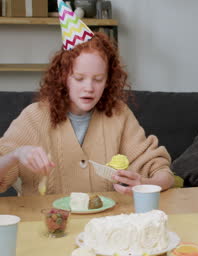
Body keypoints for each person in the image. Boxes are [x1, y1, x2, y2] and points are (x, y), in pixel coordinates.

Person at [0, 2, 174, 196]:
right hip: (46, 223)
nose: (89, 88)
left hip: (104, 223)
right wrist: (16, 155)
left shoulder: (119, 115)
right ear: (63, 76)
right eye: (79, 78)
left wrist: (143, 183)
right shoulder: (35, 117)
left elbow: (163, 174)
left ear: (108, 80)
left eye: (98, 79)